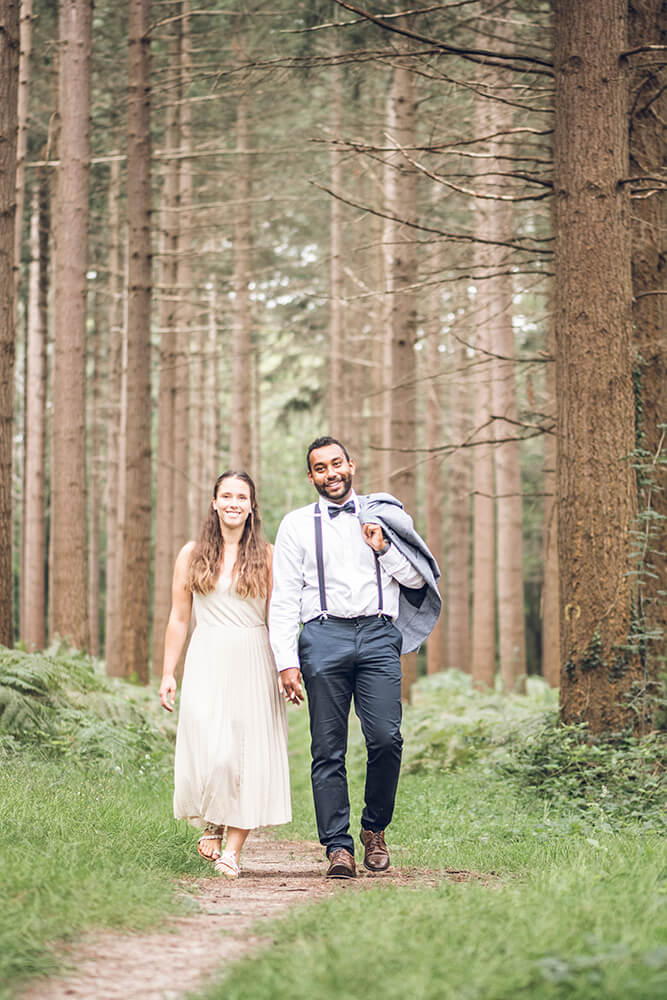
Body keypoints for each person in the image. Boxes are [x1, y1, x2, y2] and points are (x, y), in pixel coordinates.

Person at [269, 437, 440, 879]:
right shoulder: (294, 525)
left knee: (386, 737)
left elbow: (416, 579)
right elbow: (285, 598)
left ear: (352, 465)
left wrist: (383, 548)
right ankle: (337, 847)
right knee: (327, 748)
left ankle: (374, 830)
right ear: (311, 477)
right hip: (323, 635)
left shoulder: (386, 516)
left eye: (337, 464)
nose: (331, 474)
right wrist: (286, 661)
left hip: (379, 634)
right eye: (320, 468)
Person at [159, 471, 291, 879]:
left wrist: (288, 667)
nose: (234, 502)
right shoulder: (191, 554)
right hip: (207, 654)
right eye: (226, 495)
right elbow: (180, 618)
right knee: (212, 750)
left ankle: (232, 850)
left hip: (253, 655)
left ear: (252, 506)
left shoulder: (267, 555)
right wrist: (168, 672)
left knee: (246, 753)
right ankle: (213, 820)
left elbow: (278, 620)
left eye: (242, 497)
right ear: (214, 502)